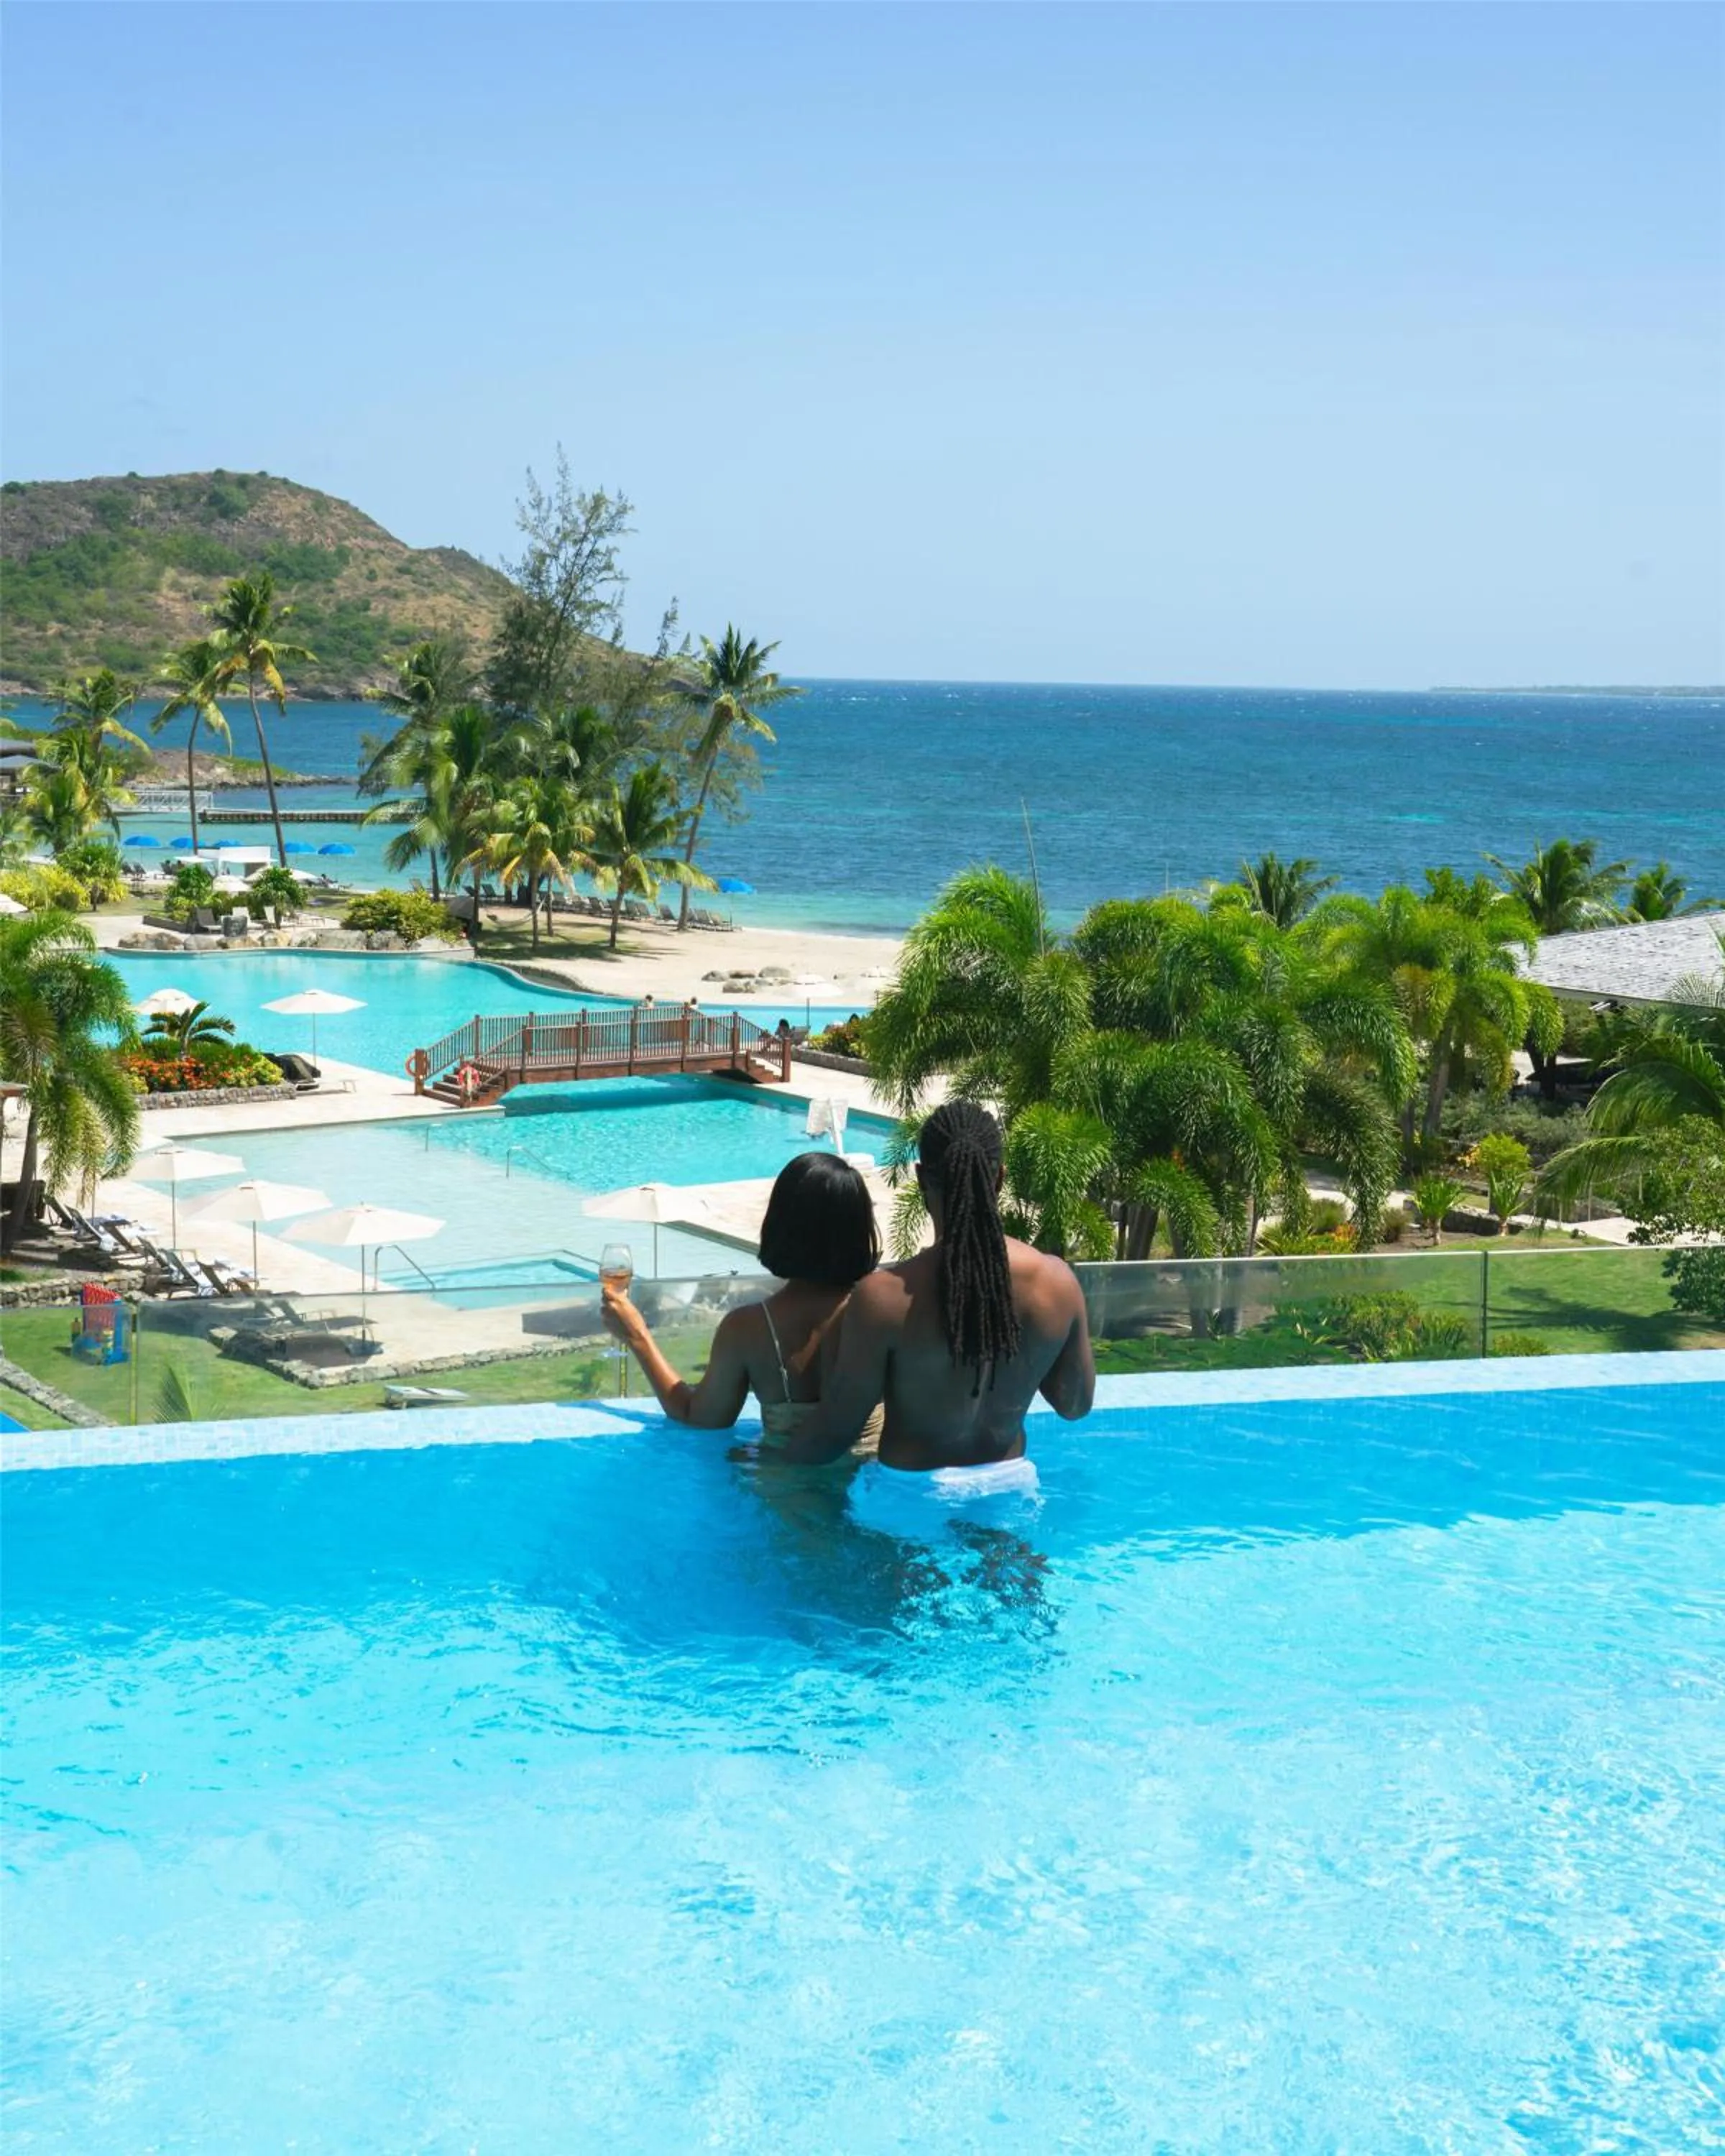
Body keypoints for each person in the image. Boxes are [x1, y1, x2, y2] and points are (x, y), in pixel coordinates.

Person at [781, 1100, 1094, 1478]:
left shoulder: (884, 1299)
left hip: (911, 1495)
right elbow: (1074, 1406)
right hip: (1010, 1486)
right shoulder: (1057, 1284)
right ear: (999, 1179)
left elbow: (835, 1433)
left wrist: (760, 1465)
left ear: (920, 1177)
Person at [600, 1151, 883, 1445]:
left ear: (779, 1225)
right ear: (860, 1228)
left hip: (781, 1476)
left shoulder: (749, 1329)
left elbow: (699, 1417)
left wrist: (637, 1336)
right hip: (873, 1472)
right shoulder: (882, 1313)